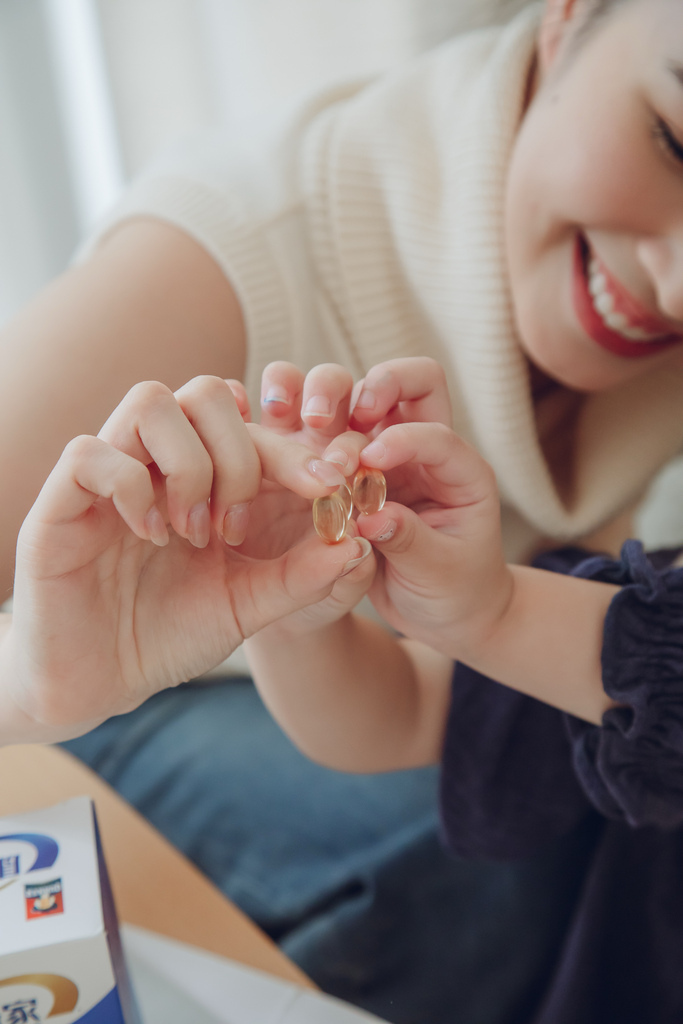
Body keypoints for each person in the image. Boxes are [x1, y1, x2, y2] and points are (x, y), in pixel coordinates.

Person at [2, 0, 683, 1018]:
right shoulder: (210, 263)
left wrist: (309, 612)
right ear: (568, 17)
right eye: (672, 139)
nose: (672, 281)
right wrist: (33, 685)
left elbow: (437, 701)